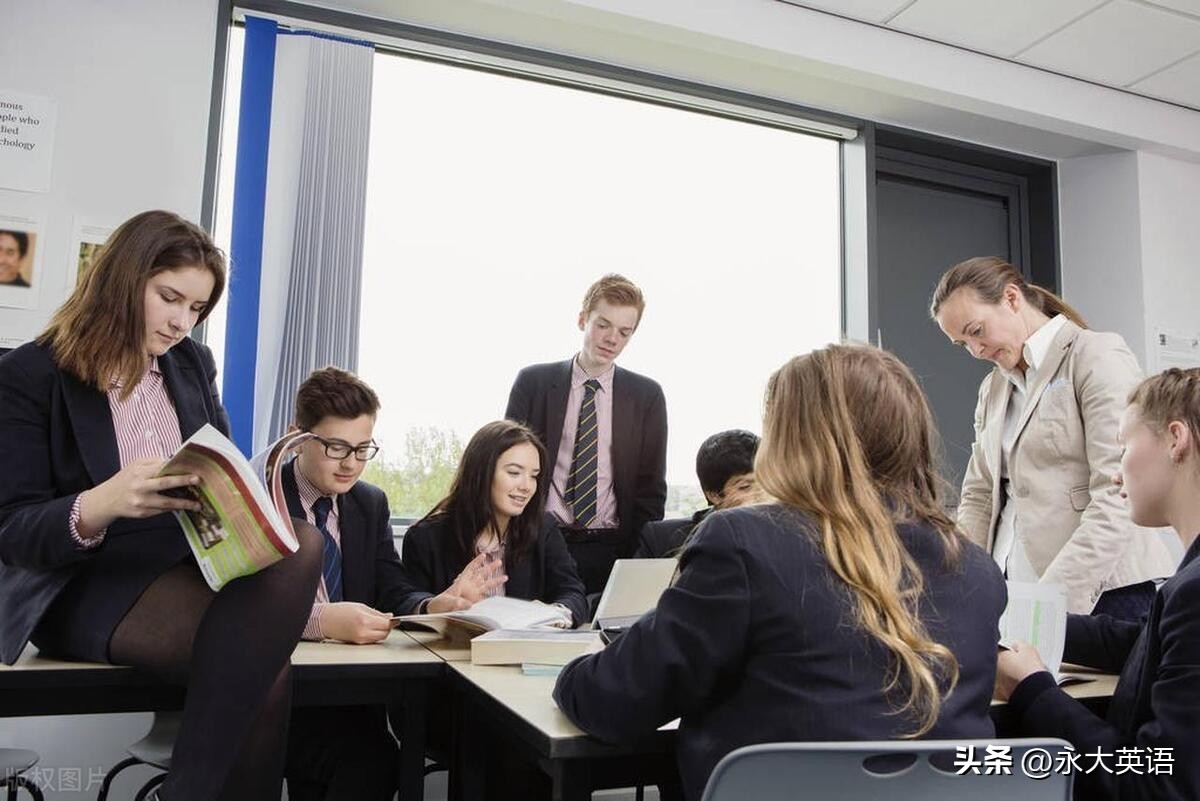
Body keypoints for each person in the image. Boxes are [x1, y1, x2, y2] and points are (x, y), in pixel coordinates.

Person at [554, 344, 1007, 801]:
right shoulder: (976, 569)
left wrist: (573, 671)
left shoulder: (743, 542)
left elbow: (612, 700)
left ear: (789, 437)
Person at [0, 210, 322, 801]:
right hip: (84, 582)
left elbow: (221, 466)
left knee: (303, 543)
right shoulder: (30, 373)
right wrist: (101, 502)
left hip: (185, 565)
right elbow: (13, 531)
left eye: (196, 308)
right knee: (267, 672)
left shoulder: (193, 364)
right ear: (123, 281)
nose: (181, 322)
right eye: (169, 298)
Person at [996, 368, 1200, 801]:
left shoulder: (1193, 595)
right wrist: (1021, 621)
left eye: (1124, 446)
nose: (1116, 474)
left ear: (1175, 439)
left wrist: (1029, 687)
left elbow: (1157, 786)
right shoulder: (1188, 585)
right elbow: (1141, 643)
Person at [931, 256, 1175, 616]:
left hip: (1102, 594)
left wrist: (1053, 601)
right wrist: (961, 582)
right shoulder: (993, 388)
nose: (976, 351)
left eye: (977, 331)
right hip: (1014, 593)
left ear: (1012, 298)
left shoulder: (1094, 355)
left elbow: (1117, 491)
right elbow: (980, 493)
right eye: (962, 343)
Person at [281, 366, 410, 801]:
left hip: (350, 695)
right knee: (355, 763)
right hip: (274, 696)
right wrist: (321, 621)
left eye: (362, 448)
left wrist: (434, 605)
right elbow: (236, 607)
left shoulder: (369, 503)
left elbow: (392, 586)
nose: (351, 463)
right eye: (337, 447)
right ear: (296, 438)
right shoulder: (260, 497)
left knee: (376, 759)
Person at [505, 273, 667, 594]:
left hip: (610, 549)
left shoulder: (647, 396)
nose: (612, 339)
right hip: (539, 542)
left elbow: (651, 489)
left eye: (624, 332)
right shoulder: (533, 383)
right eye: (603, 325)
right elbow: (506, 465)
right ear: (582, 319)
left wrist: (636, 559)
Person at [396, 420, 587, 626]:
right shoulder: (425, 537)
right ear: (481, 472)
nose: (527, 486)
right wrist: (437, 605)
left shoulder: (543, 529)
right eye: (514, 473)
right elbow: (405, 603)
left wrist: (553, 614)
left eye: (534, 476)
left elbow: (573, 593)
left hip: (522, 644)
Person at [635, 429, 762, 558]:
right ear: (714, 495)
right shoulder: (661, 539)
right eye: (746, 487)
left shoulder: (774, 535)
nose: (763, 494)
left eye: (767, 483)